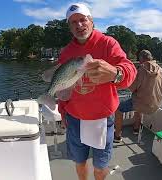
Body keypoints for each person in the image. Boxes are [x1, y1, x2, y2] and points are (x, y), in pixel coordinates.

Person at [56, 3, 137, 180]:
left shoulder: (108, 43)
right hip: (74, 119)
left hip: (103, 118)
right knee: (80, 162)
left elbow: (130, 71)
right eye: (73, 22)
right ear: (69, 27)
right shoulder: (66, 53)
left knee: (100, 166)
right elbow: (62, 88)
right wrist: (63, 114)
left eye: (83, 20)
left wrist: (116, 73)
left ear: (91, 21)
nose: (78, 25)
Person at [114, 50, 162, 143]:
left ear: (141, 58)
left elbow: (132, 88)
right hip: (155, 105)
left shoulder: (141, 69)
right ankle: (136, 129)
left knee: (118, 108)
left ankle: (117, 136)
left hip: (142, 103)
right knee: (139, 105)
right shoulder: (161, 70)